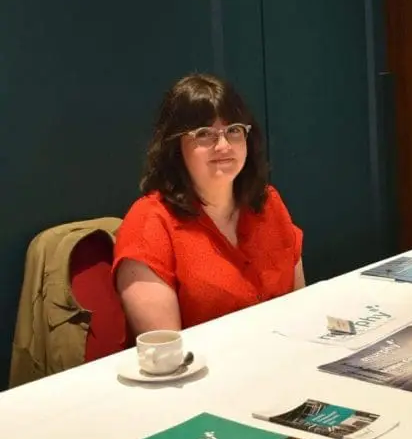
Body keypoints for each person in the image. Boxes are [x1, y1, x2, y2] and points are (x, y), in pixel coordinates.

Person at [113, 73, 304, 336]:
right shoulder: (149, 223)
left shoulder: (268, 202)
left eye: (234, 130)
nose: (223, 146)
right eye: (204, 134)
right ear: (175, 146)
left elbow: (301, 310)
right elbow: (168, 352)